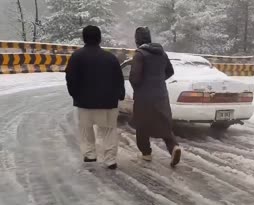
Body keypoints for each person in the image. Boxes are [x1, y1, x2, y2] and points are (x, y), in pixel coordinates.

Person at [65, 25, 125, 170]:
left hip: (85, 103)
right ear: (99, 38)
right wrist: (120, 95)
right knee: (109, 130)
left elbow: (70, 79)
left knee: (86, 129)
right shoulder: (110, 58)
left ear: (83, 38)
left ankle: (90, 154)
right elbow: (119, 79)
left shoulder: (77, 56)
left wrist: (75, 95)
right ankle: (110, 160)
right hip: (108, 103)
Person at [129, 26, 181, 167]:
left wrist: (141, 86)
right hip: (161, 95)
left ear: (137, 40)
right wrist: (158, 81)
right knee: (164, 123)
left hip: (144, 97)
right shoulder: (161, 53)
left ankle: (146, 153)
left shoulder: (139, 54)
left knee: (142, 124)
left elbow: (135, 77)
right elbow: (170, 71)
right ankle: (174, 147)